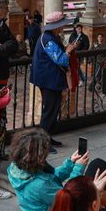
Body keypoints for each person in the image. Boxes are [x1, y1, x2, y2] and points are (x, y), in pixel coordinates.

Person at [30, 12, 76, 147]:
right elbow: (61, 59)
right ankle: (42, 143)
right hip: (48, 80)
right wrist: (68, 50)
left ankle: (47, 138)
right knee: (49, 112)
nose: (62, 28)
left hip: (51, 79)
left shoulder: (51, 37)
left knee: (53, 110)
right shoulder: (48, 39)